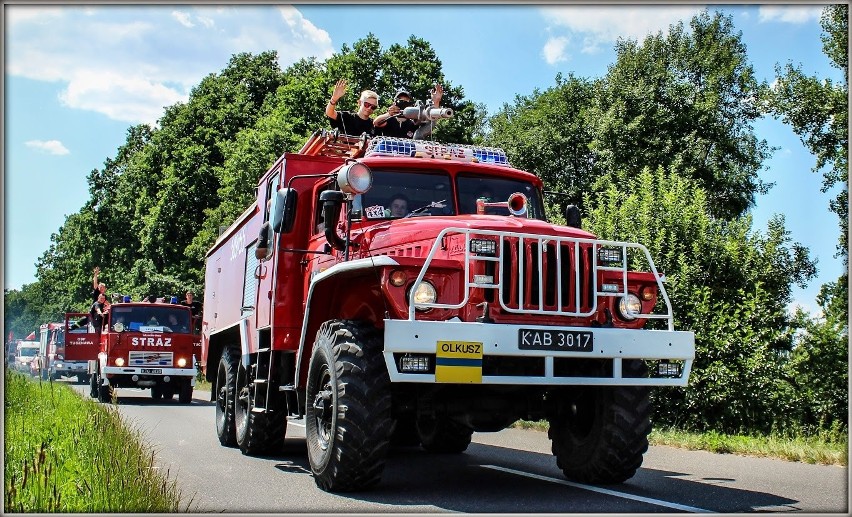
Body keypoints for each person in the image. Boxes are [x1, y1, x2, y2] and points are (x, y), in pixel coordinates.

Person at [373, 84, 443, 139]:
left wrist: (436, 101)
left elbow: (430, 121)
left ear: (410, 105)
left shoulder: (414, 122)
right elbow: (376, 122)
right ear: (394, 103)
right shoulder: (389, 120)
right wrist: (389, 114)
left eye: (406, 102)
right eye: (400, 101)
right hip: (388, 155)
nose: (403, 104)